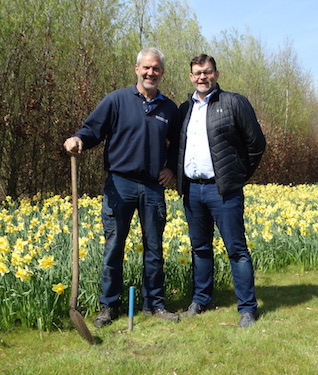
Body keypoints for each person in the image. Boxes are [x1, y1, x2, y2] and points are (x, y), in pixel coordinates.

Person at [63, 47, 180, 328]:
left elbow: (178, 144)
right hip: (120, 184)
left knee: (154, 248)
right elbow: (93, 129)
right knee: (114, 246)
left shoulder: (169, 109)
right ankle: (108, 306)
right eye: (146, 67)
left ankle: (154, 304)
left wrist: (172, 168)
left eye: (156, 69)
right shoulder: (116, 100)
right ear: (136, 69)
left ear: (162, 73)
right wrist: (78, 139)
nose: (150, 72)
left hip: (153, 187)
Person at [176, 54, 266, 328]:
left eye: (207, 72)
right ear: (191, 77)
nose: (202, 77)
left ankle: (248, 309)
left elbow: (256, 144)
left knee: (236, 250)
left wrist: (236, 176)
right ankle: (200, 300)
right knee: (200, 248)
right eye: (197, 73)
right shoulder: (184, 109)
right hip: (192, 190)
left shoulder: (233, 103)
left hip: (223, 191)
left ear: (216, 74)